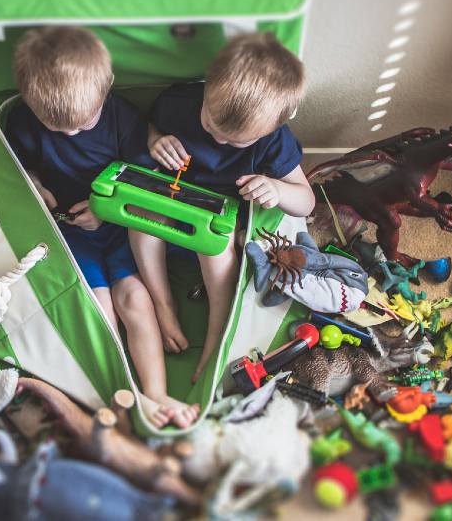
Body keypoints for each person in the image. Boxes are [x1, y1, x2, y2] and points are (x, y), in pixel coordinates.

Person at [5, 26, 200, 428]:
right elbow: (21, 167)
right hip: (70, 230)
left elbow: (138, 180)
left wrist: (104, 210)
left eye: (82, 123)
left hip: (120, 222)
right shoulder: (24, 123)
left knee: (135, 299)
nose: (72, 134)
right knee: (99, 308)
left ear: (106, 88)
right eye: (58, 129)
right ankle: (117, 394)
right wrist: (39, 188)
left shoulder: (120, 117)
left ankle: (156, 393)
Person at [127, 32, 316, 383]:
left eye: (235, 141)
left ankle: (217, 331)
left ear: (273, 127)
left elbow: (307, 200)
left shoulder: (275, 141)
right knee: (140, 218)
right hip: (173, 202)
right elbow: (146, 127)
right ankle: (163, 305)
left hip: (220, 225)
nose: (218, 140)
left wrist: (276, 188)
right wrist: (156, 139)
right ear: (205, 90)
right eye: (210, 124)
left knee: (214, 246)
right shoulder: (179, 104)